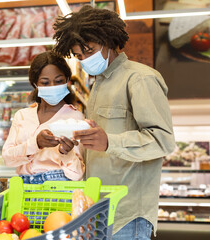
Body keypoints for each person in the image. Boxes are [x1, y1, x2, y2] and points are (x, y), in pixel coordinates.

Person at [52, 5, 176, 240]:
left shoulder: (139, 79)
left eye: (90, 51)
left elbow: (163, 141)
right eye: (79, 56)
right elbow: (101, 147)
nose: (85, 60)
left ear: (108, 41)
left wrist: (109, 142)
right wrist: (75, 145)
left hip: (127, 216)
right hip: (97, 211)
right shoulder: (99, 85)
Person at [2, 51, 85, 184]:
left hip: (57, 190)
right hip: (23, 188)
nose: (53, 87)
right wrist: (36, 143)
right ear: (35, 84)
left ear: (67, 80)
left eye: (59, 81)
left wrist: (66, 153)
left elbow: (77, 174)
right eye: (45, 83)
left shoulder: (75, 118)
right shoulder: (22, 116)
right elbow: (7, 159)